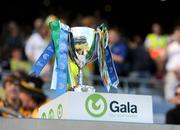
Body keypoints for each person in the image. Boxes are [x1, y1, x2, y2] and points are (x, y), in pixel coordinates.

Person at [165, 26, 180, 101]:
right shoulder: (171, 45)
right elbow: (163, 56)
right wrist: (168, 42)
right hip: (172, 73)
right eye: (177, 33)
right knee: (170, 95)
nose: (178, 35)